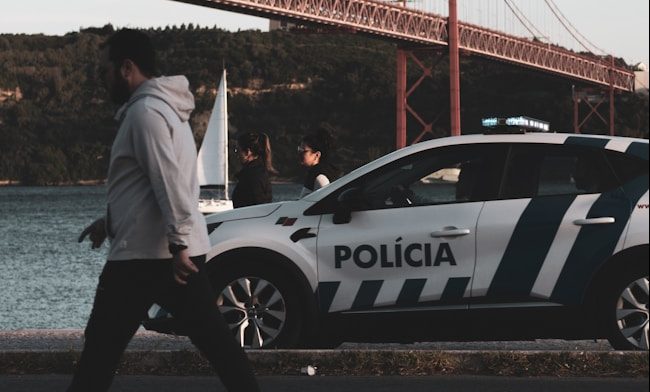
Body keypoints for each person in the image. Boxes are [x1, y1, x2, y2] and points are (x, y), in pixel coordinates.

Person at [70, 29, 259, 392]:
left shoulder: (145, 113)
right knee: (219, 347)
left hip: (147, 258)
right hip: (168, 252)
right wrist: (107, 222)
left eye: (105, 70)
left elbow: (168, 181)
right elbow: (145, 190)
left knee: (99, 354)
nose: (102, 78)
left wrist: (177, 247)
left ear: (127, 68)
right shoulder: (165, 110)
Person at [231, 131, 275, 208]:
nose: (236, 155)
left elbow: (260, 208)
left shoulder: (253, 177)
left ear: (248, 152)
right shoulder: (258, 173)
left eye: (237, 150)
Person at [299, 129, 340, 197]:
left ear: (317, 155)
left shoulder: (320, 177)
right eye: (299, 149)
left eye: (304, 151)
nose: (300, 153)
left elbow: (328, 200)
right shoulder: (315, 172)